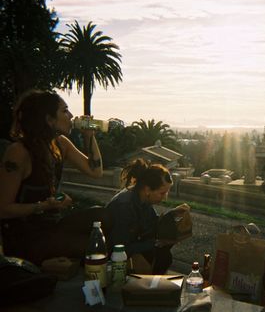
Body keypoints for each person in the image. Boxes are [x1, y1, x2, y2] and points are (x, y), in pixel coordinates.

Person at [0, 90, 105, 265]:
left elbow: (96, 172)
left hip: (51, 227)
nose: (71, 116)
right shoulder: (18, 152)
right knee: (91, 246)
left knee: (103, 216)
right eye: (64, 111)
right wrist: (43, 206)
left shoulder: (60, 144)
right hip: (25, 236)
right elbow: (3, 209)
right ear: (49, 120)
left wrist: (90, 136)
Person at [106, 158, 189, 274]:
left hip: (131, 250)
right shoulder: (124, 206)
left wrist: (173, 219)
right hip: (113, 259)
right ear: (147, 190)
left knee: (164, 256)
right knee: (160, 257)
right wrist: (156, 243)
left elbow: (153, 225)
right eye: (162, 193)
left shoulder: (143, 201)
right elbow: (120, 247)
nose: (165, 197)